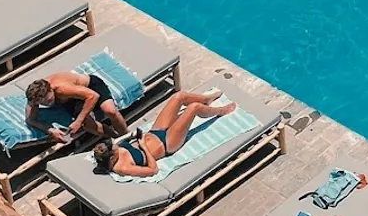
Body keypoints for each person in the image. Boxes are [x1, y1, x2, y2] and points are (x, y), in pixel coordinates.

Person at [91, 91, 236, 178]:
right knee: (193, 108)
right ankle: (220, 111)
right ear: (112, 157)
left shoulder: (111, 151)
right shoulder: (122, 167)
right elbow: (152, 170)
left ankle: (206, 99)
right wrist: (144, 147)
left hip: (155, 131)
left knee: (178, 96)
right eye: (114, 148)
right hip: (167, 143)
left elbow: (120, 141)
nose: (115, 145)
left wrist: (134, 136)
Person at [26, 71, 127, 142]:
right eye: (43, 104)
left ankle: (126, 134)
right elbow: (30, 120)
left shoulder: (62, 89)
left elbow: (93, 96)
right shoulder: (34, 98)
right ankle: (117, 137)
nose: (48, 104)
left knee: (110, 111)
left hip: (90, 87)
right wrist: (50, 130)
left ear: (51, 90)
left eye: (49, 101)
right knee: (88, 125)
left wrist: (78, 121)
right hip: (70, 100)